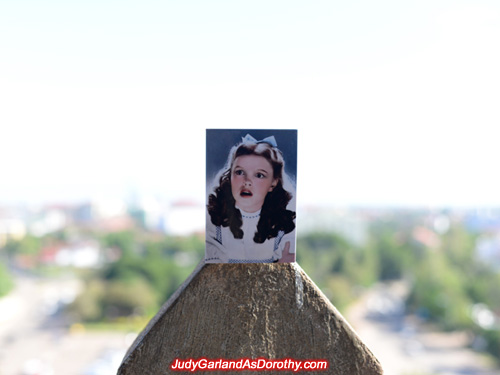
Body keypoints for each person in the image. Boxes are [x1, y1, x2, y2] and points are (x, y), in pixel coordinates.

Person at [206, 134, 296, 263]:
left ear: (273, 183)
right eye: (240, 172)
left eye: (259, 175)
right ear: (230, 176)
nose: (247, 182)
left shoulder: (285, 227)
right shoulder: (213, 222)